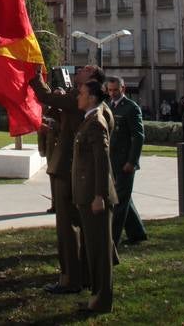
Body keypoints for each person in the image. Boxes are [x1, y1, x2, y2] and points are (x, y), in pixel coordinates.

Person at [30, 64, 112, 294]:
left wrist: (34, 77)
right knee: (78, 227)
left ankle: (70, 279)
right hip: (70, 170)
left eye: (85, 69)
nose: (79, 70)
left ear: (93, 81)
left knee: (67, 228)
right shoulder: (81, 101)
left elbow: (47, 97)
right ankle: (83, 275)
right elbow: (61, 115)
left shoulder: (82, 98)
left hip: (68, 170)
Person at [73, 79, 118, 314]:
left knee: (100, 251)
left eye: (80, 93)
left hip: (95, 197)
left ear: (91, 97)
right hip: (88, 195)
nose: (77, 96)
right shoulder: (89, 119)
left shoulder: (96, 123)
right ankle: (96, 296)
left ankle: (102, 300)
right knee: (93, 248)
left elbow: (102, 161)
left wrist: (99, 195)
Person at [106, 75, 147, 248]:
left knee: (119, 202)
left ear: (123, 89)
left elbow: (138, 137)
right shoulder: (107, 106)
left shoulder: (131, 108)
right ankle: (137, 233)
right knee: (125, 198)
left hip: (125, 163)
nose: (113, 93)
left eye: (116, 90)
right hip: (112, 162)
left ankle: (112, 240)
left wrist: (132, 161)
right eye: (110, 90)